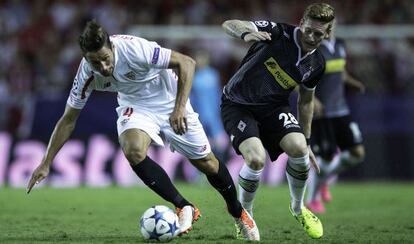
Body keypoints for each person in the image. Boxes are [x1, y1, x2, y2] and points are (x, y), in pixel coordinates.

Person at [26, 20, 259, 241]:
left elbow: (187, 62)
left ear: (112, 47)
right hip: (135, 106)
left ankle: (239, 213)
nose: (103, 67)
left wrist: (178, 108)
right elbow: (68, 120)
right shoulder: (86, 73)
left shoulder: (134, 49)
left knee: (207, 163)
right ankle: (183, 205)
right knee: (133, 150)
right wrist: (46, 162)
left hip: (169, 99)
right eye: (96, 63)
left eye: (106, 59)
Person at [220, 3, 335, 239]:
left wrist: (308, 140)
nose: (311, 37)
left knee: (299, 148)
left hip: (273, 108)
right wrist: (246, 32)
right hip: (238, 104)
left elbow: (305, 102)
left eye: (319, 34)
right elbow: (229, 24)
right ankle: (245, 217)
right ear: (301, 23)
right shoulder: (279, 32)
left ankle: (298, 207)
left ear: (328, 34)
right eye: (308, 30)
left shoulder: (316, 64)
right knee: (255, 159)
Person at [305, 20, 366, 214]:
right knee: (326, 157)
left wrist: (353, 82)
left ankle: (323, 182)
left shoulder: (340, 44)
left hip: (342, 110)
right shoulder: (312, 49)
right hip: (322, 114)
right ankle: (312, 200)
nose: (329, 28)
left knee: (357, 153)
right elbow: (300, 77)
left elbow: (341, 71)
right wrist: (312, 99)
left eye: (332, 24)